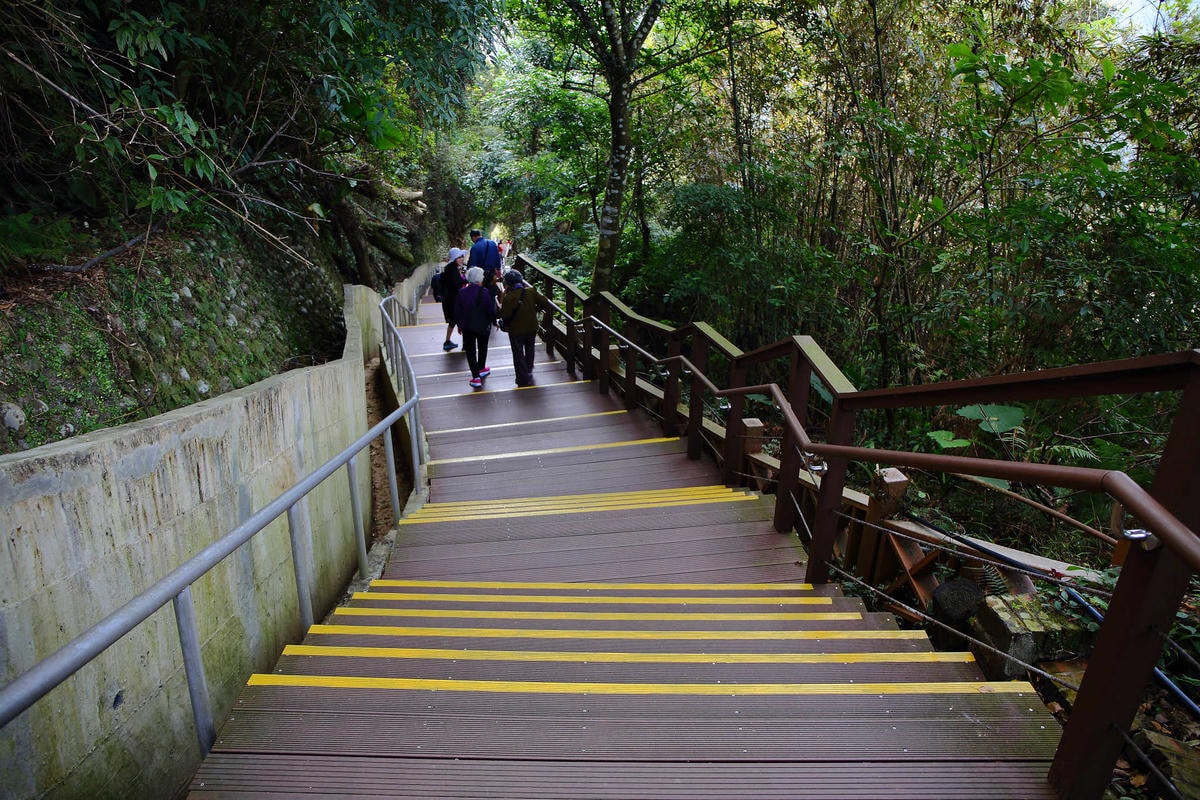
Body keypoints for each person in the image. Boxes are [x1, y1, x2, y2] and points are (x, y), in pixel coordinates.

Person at [454, 267, 495, 389]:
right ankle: (482, 368)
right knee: (483, 347)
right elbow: (490, 310)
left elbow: (458, 311)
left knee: (471, 351)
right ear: (479, 279)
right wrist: (494, 321)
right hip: (483, 326)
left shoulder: (462, 292)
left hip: (468, 326)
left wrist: (460, 325)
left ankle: (476, 377)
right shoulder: (485, 292)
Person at [497, 269, 540, 387]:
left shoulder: (508, 297)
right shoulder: (531, 292)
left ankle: (522, 378)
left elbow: (504, 315)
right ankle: (529, 369)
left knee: (518, 353)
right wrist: (535, 308)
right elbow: (544, 302)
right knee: (530, 348)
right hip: (532, 326)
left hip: (516, 330)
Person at [439, 248, 467, 351]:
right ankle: (465, 344)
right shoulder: (452, 269)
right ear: (454, 258)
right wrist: (464, 281)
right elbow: (456, 284)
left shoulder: (452, 268)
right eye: (458, 257)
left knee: (454, 321)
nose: (461, 259)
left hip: (451, 300)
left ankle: (447, 342)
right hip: (454, 300)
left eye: (461, 257)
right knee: (461, 320)